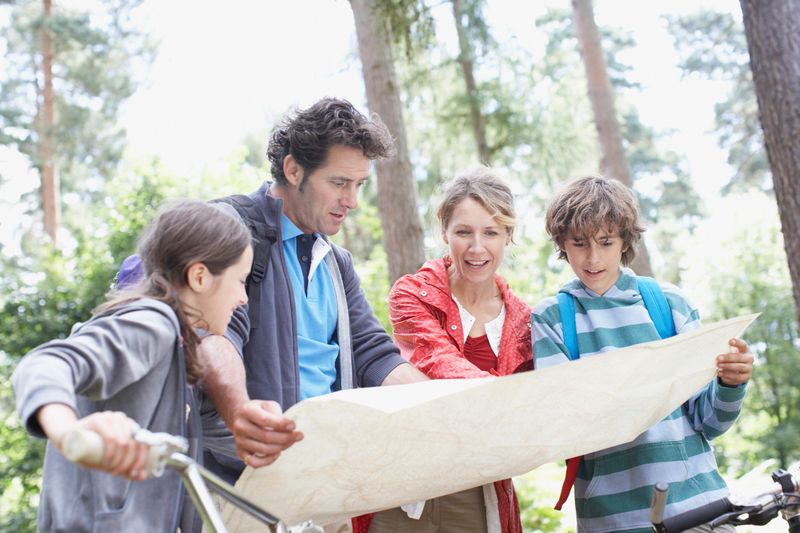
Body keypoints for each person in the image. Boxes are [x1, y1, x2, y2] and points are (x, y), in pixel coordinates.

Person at [180, 97, 430, 483]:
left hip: (322, 474)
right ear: (293, 169)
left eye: (359, 184)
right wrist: (242, 413)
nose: (353, 201)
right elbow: (214, 338)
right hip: (242, 477)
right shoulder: (233, 231)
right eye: (339, 183)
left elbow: (372, 353)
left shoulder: (336, 263)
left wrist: (437, 407)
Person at [531, 176, 754, 533]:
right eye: (579, 243)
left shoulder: (669, 304)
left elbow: (709, 423)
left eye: (605, 242)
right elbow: (564, 429)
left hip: (701, 512)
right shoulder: (553, 319)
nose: (592, 258)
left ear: (624, 240)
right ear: (562, 244)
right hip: (612, 521)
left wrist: (730, 384)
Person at [12, 200, 253, 532]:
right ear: (199, 276)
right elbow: (44, 365)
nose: (244, 298)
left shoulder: (175, 345)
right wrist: (71, 433)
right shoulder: (152, 324)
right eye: (240, 280)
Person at [365, 167, 531, 533]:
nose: (476, 248)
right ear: (444, 232)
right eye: (463, 232)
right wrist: (505, 399)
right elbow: (438, 362)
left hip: (475, 490)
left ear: (508, 236)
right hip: (403, 481)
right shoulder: (412, 294)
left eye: (490, 232)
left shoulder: (523, 323)